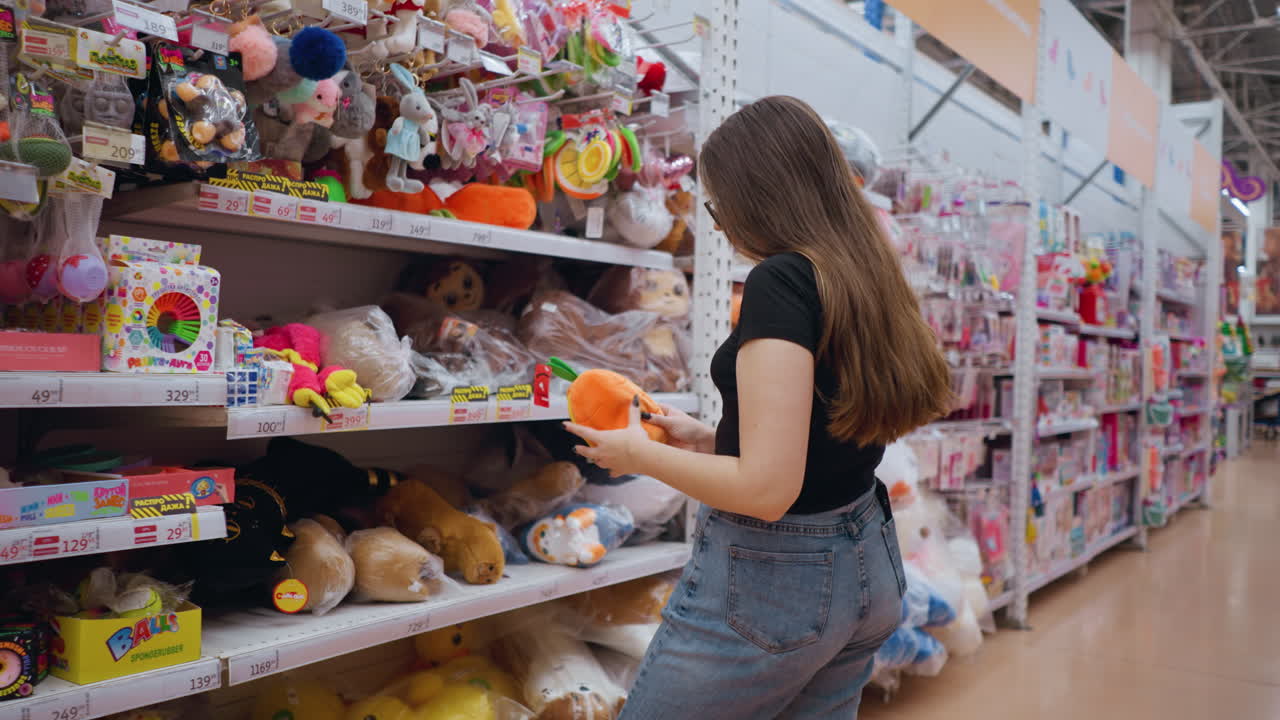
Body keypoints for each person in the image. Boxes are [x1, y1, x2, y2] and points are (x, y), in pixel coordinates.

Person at [563, 95, 953, 719]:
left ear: (758, 196)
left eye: (717, 206)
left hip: (780, 577)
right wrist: (712, 438)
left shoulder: (783, 280)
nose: (717, 225)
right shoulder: (859, 269)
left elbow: (768, 488)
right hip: (866, 558)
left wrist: (637, 454)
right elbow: (824, 430)